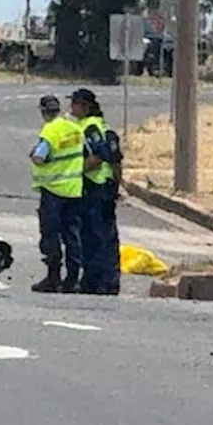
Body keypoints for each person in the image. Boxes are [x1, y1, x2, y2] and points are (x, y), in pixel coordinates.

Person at [29, 94, 85, 293]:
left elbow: (39, 157)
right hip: (74, 190)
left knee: (51, 235)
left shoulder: (50, 130)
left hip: (53, 192)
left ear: (44, 112)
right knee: (72, 235)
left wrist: (37, 155)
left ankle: (53, 278)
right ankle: (72, 279)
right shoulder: (76, 129)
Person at [70, 88, 123, 295]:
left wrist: (75, 170)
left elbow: (100, 155)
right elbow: (117, 160)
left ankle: (94, 282)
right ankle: (110, 281)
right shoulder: (105, 127)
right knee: (108, 238)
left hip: (93, 187)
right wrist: (117, 186)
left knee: (92, 237)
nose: (72, 108)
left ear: (84, 106)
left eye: (75, 104)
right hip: (107, 187)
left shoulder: (88, 127)